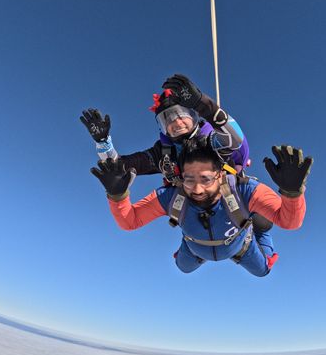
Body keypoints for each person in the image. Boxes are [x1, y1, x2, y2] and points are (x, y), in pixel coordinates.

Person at [91, 143, 313, 277]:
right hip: (195, 247)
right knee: (183, 268)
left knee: (263, 271)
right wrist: (118, 196)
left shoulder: (243, 190)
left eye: (205, 179)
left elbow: (289, 222)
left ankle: (260, 231)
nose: (197, 189)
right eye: (189, 179)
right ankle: (196, 238)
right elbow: (130, 221)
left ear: (221, 175)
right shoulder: (173, 196)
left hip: (240, 245)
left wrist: (292, 193)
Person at [80, 73, 249, 185]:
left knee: (258, 220)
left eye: (181, 114)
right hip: (195, 211)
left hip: (229, 196)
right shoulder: (163, 153)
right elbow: (118, 166)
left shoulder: (211, 139)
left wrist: (202, 103)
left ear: (194, 116)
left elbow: (236, 138)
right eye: (166, 119)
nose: (176, 121)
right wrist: (103, 142)